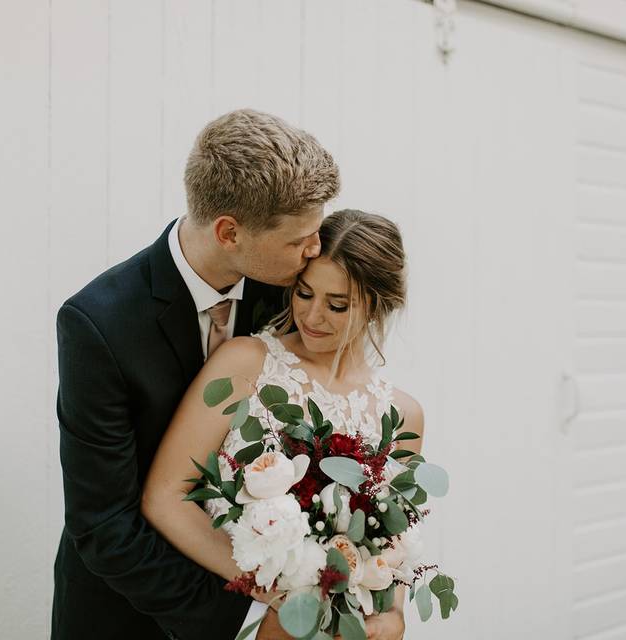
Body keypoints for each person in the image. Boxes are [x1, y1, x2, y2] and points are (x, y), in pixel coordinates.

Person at [52, 109, 340, 640]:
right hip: (126, 616)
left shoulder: (292, 293)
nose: (315, 250)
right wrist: (244, 615)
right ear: (229, 232)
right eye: (300, 238)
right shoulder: (98, 324)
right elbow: (102, 526)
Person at [142, 209, 423, 640]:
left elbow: (394, 541)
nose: (312, 317)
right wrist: (274, 590)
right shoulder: (244, 363)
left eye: (337, 305)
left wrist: (393, 616)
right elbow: (165, 496)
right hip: (242, 621)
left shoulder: (402, 415)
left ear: (379, 305)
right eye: (304, 293)